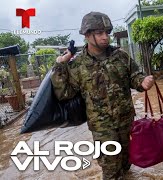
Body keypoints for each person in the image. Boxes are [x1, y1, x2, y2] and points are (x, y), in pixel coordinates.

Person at [50, 12, 154, 179]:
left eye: (107, 32)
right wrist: (60, 65)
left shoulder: (121, 56)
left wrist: (143, 81)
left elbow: (134, 76)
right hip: (101, 126)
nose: (105, 37)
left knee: (127, 163)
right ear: (87, 35)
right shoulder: (77, 64)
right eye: (99, 33)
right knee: (111, 169)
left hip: (126, 120)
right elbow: (64, 94)